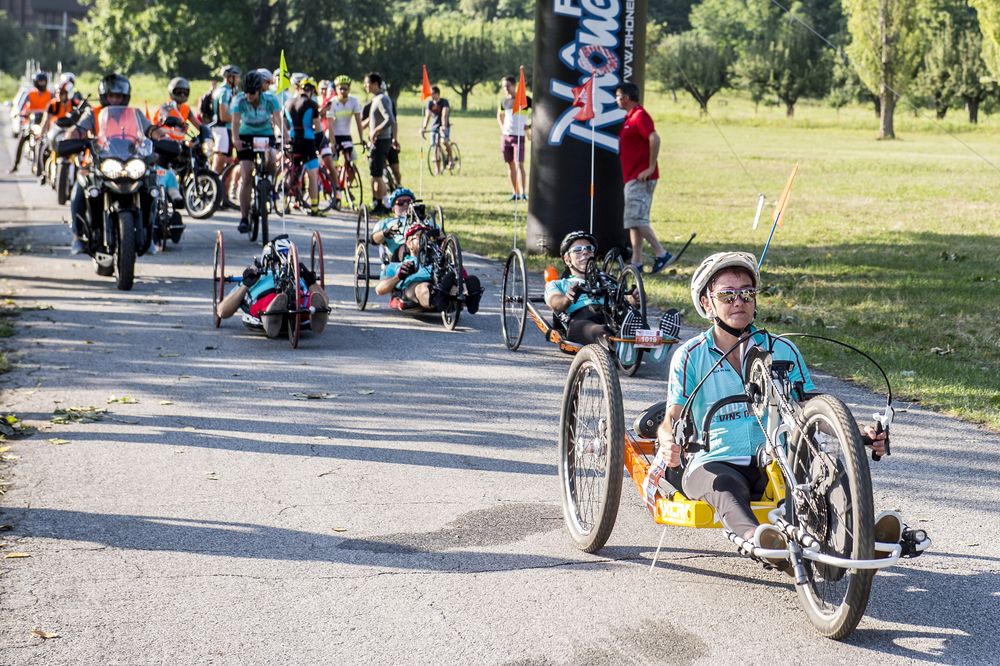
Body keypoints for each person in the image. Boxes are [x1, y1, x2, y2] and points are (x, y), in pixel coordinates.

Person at [644, 251, 897, 569]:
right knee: (726, 488)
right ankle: (759, 539)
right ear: (707, 303)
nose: (739, 301)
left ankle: (858, 535)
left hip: (775, 457)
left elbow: (812, 406)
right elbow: (673, 415)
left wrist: (858, 431)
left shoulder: (782, 348)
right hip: (713, 461)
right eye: (727, 294)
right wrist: (668, 440)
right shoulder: (690, 355)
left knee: (817, 474)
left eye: (747, 293)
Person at [215, 237, 329, 338]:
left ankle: (316, 313)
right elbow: (222, 311)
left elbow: (324, 301)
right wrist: (245, 284)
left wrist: (311, 282)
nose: (282, 264)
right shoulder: (255, 276)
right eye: (278, 261)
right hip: (266, 299)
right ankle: (272, 315)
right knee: (270, 299)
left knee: (307, 300)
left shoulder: (299, 276)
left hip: (297, 300)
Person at [614, 82, 673, 274]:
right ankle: (637, 262)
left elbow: (654, 138)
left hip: (641, 178)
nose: (616, 100)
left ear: (626, 97)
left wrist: (650, 167)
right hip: (631, 176)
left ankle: (661, 253)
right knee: (634, 220)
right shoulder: (629, 117)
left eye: (618, 96)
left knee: (637, 219)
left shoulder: (639, 115)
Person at [375, 223, 482, 314]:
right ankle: (438, 299)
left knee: (455, 279)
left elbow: (458, 270)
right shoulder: (397, 266)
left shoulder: (439, 258)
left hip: (441, 280)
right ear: (409, 243)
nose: (426, 240)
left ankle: (470, 297)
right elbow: (379, 289)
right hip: (415, 286)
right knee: (423, 287)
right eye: (420, 237)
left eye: (429, 238)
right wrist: (398, 276)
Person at [231, 70, 282, 233]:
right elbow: (235, 124)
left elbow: (278, 120)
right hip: (246, 135)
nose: (249, 96)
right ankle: (244, 217)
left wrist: (285, 136)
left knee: (272, 159)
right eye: (246, 92)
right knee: (246, 175)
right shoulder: (239, 101)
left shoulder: (270, 100)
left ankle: (269, 186)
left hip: (264, 133)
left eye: (252, 93)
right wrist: (236, 140)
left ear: (259, 91)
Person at [153, 77, 212, 208]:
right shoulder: (167, 106)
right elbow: (163, 120)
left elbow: (197, 124)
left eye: (185, 92)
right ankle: (168, 192)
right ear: (172, 92)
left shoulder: (186, 109)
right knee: (164, 165)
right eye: (178, 92)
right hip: (164, 143)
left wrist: (205, 132)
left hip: (180, 143)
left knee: (197, 152)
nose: (182, 95)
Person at [283, 76, 325, 216]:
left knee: (290, 170)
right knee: (312, 174)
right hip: (308, 141)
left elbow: (284, 124)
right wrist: (320, 143)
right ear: (312, 91)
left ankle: (284, 204)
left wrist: (287, 137)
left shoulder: (288, 102)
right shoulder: (312, 104)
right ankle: (314, 207)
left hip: (293, 139)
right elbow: (318, 127)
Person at [323, 75, 363, 200]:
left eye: (345, 89)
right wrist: (332, 143)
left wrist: (361, 139)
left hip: (346, 135)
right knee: (332, 164)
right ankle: (335, 187)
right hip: (333, 135)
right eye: (340, 89)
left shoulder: (354, 101)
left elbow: (358, 121)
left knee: (352, 161)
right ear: (336, 89)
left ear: (349, 89)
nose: (343, 91)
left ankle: (347, 185)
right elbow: (329, 124)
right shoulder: (332, 103)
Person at [363, 72, 395, 214]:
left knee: (377, 175)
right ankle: (378, 203)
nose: (365, 86)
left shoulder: (381, 99)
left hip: (381, 141)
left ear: (375, 84)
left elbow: (390, 119)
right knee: (374, 173)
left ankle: (384, 205)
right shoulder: (376, 99)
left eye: (367, 83)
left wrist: (375, 130)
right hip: (378, 141)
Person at [10, 72, 53, 173]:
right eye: (40, 82)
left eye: (44, 82)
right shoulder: (29, 94)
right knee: (21, 140)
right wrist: (20, 114)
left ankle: (45, 169)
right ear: (36, 82)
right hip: (30, 122)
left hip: (44, 123)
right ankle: (15, 165)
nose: (42, 84)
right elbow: (20, 107)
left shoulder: (50, 94)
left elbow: (53, 108)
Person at [497, 75, 531, 200]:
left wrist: (529, 125)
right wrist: (503, 129)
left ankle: (523, 193)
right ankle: (515, 193)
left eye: (507, 86)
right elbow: (499, 115)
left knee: (519, 164)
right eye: (503, 87)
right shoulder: (504, 101)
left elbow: (539, 112)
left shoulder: (525, 100)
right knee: (510, 165)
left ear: (514, 85)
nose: (505, 89)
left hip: (519, 137)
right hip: (506, 137)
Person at [370, 188, 417, 263]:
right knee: (406, 247)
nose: (405, 204)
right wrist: (385, 233)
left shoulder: (424, 220)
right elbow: (373, 240)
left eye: (409, 202)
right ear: (393, 208)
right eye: (400, 202)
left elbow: (440, 235)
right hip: (400, 252)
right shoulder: (386, 222)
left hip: (424, 248)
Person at [210, 65, 241, 174]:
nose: (239, 79)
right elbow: (224, 116)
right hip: (223, 129)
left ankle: (220, 186)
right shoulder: (225, 92)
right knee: (221, 159)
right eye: (237, 77)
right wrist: (240, 120)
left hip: (222, 129)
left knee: (227, 159)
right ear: (230, 78)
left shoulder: (222, 90)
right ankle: (214, 184)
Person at [421, 86, 452, 174]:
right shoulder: (430, 103)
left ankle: (451, 159)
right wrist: (424, 128)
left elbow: (444, 115)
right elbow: (427, 116)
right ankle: (437, 170)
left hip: (443, 126)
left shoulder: (444, 102)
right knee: (434, 147)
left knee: (444, 142)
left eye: (433, 94)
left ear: (438, 94)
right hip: (434, 128)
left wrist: (444, 126)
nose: (431, 96)